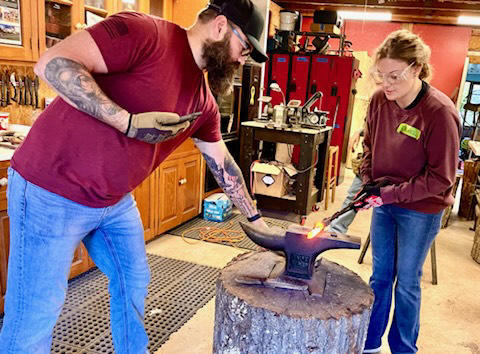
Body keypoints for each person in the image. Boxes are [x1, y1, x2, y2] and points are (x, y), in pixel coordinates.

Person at [0, 1, 271, 352]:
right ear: (220, 27)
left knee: (133, 279)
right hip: (50, 190)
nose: (241, 59)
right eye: (244, 47)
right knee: (37, 310)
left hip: (112, 202)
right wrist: (126, 121)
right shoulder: (146, 34)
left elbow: (222, 163)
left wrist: (255, 219)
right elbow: (51, 63)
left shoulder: (203, 102)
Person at [358, 30, 460, 353]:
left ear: (416, 69)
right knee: (380, 277)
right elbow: (369, 148)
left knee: (407, 283)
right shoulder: (378, 101)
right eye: (380, 75)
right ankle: (370, 343)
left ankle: (403, 348)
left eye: (394, 76)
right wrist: (367, 181)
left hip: (422, 208)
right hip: (384, 200)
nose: (386, 84)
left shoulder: (439, 113)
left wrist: (388, 194)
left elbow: (441, 179)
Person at [328, 128, 364, 234]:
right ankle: (336, 230)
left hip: (390, 165)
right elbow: (371, 122)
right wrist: (359, 131)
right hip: (369, 162)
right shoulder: (377, 112)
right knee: (354, 197)